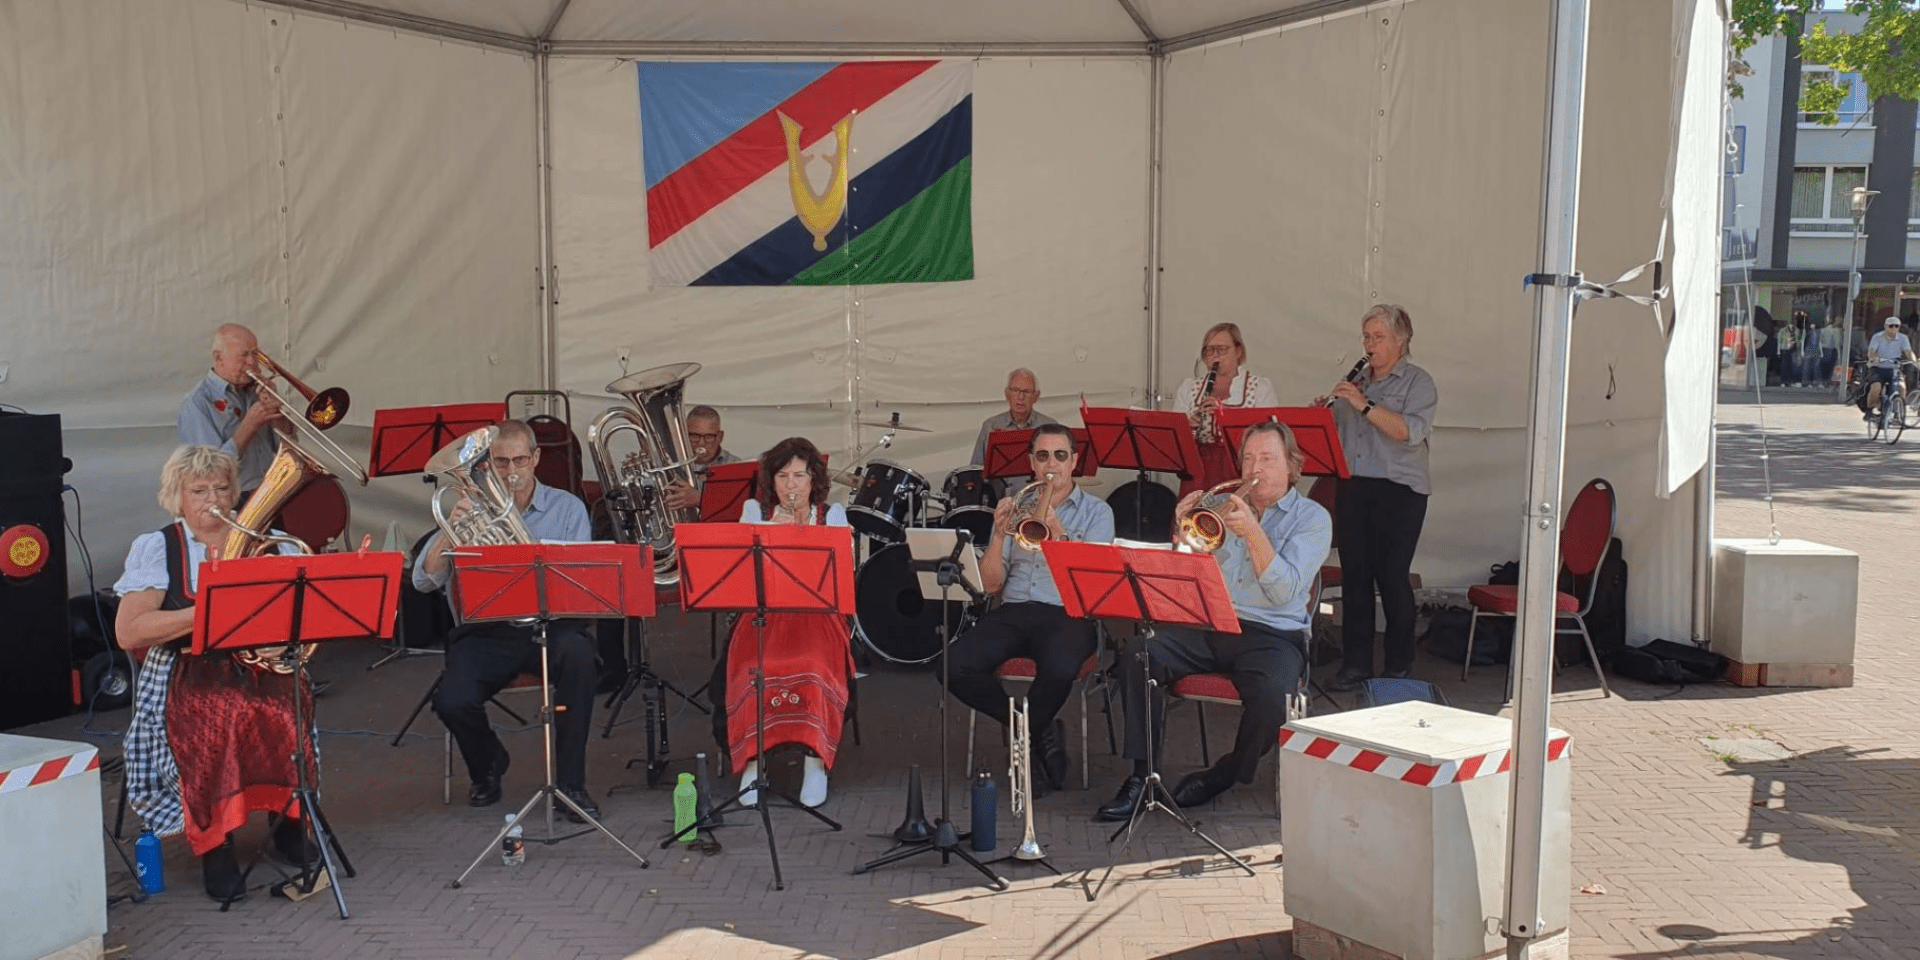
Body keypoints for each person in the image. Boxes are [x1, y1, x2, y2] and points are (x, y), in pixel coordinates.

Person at [1096, 422, 1330, 819]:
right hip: (1213, 624)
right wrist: (1182, 531)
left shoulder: (1312, 518)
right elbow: (1188, 578)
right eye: (1249, 458)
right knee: (1139, 654)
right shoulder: (1223, 509)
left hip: (1275, 635)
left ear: (1292, 466)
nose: (1255, 467)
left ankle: (1225, 773)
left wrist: (1254, 533)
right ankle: (1142, 776)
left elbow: (1285, 591)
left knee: (1274, 700)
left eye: (1268, 458)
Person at [113, 445, 313, 901]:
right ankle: (215, 845)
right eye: (198, 490)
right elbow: (129, 631)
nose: (212, 499)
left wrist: (279, 637)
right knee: (214, 719)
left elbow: (295, 617)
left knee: (289, 704)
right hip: (184, 667)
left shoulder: (267, 539)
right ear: (176, 497)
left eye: (221, 488)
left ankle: (289, 824)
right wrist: (207, 612)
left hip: (254, 664)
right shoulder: (158, 546)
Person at [414, 420, 602, 821]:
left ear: (535, 460)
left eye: (519, 460)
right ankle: (488, 765)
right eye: (500, 462)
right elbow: (424, 579)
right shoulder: (471, 507)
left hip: (552, 624)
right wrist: (452, 529)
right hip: (489, 630)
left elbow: (581, 582)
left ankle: (570, 783)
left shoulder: (567, 507)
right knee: (451, 700)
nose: (511, 471)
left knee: (582, 661)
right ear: (486, 464)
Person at [945, 424, 1115, 795]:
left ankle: (1025, 746)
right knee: (953, 665)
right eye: (1042, 456)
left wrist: (1058, 536)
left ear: (1074, 461)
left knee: (1060, 667)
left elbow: (1090, 586)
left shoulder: (1097, 513)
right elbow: (991, 585)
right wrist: (999, 535)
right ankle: (1035, 731)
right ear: (1031, 464)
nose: (1051, 464)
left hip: (1068, 612)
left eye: (1059, 455)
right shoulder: (1016, 504)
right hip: (1015, 609)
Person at [705, 437, 854, 808]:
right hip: (762, 618)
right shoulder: (754, 512)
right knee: (750, 670)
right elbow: (738, 576)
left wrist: (806, 536)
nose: (791, 485)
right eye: (783, 476)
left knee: (817, 668)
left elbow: (843, 576)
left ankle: (815, 761)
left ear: (813, 481)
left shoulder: (832, 515)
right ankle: (752, 761)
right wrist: (773, 532)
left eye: (799, 476)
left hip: (818, 618)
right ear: (771, 481)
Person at [1320, 305, 1439, 693]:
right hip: (1355, 486)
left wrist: (1362, 404)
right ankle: (1355, 665)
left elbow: (1409, 432)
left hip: (1400, 491)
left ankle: (1399, 666)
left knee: (1391, 576)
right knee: (1356, 578)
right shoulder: (1357, 383)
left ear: (1401, 340)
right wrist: (1319, 416)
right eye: (1366, 336)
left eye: (1378, 337)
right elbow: (1336, 437)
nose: (1370, 345)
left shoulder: (1418, 383)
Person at [177, 323, 284, 496]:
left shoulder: (254, 390)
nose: (252, 362)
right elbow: (210, 470)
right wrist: (249, 425)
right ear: (219, 358)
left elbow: (283, 445)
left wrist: (277, 408)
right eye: (243, 355)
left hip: (270, 488)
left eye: (254, 354)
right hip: (231, 497)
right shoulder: (197, 402)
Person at [1173, 323, 1279, 494]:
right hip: (1199, 471)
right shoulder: (1189, 388)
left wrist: (1226, 415)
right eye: (1209, 350)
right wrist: (1188, 428)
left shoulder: (1259, 387)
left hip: (1242, 469)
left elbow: (1271, 433)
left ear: (1238, 352)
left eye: (1222, 349)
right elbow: (1175, 438)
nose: (1215, 356)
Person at [663, 405, 743, 513]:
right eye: (694, 436)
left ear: (720, 437)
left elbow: (742, 507)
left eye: (709, 437)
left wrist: (700, 499)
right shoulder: (670, 465)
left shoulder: (735, 465)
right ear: (684, 435)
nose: (701, 443)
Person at [970, 368, 1058, 468]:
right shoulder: (991, 426)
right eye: (1015, 390)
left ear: (1036, 396)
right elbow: (975, 469)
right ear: (1007, 395)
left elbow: (1058, 468)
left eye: (1027, 391)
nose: (1021, 397)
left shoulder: (1050, 427)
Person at [1860, 317, 1917, 420]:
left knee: (1901, 387)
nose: (1893, 328)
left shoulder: (1903, 338)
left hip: (1894, 368)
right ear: (1885, 326)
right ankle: (1869, 411)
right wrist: (1874, 358)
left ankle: (1897, 413)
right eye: (1891, 326)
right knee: (1876, 387)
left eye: (1896, 326)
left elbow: (1908, 352)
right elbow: (1872, 351)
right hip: (1878, 367)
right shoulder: (1877, 337)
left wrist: (1914, 361)